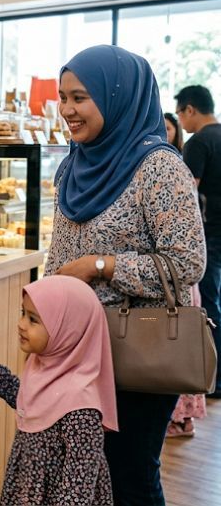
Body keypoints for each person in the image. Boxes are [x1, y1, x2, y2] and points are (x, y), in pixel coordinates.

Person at [46, 45, 205, 506]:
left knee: (130, 474)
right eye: (63, 97)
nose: (68, 110)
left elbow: (187, 263)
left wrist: (102, 265)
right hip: (76, 347)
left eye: (80, 97)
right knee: (88, 472)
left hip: (136, 350)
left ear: (119, 98)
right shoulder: (72, 164)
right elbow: (62, 253)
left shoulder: (160, 167)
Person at [0, 275, 118, 505]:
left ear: (68, 331)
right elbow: (31, 402)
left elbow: (77, 492)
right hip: (28, 488)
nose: (21, 324)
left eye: (33, 320)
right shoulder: (42, 368)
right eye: (22, 313)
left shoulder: (82, 408)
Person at [176, 84, 221, 397]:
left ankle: (212, 378)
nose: (180, 122)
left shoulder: (198, 142)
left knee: (208, 306)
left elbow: (187, 197)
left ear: (190, 109)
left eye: (180, 113)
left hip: (209, 235)